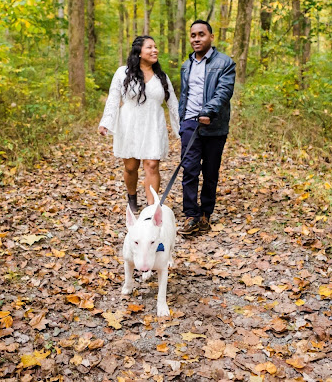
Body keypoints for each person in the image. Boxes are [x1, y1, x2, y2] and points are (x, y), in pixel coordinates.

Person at [98, 35, 180, 212]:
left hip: (153, 125)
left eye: (155, 47)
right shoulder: (123, 72)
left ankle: (152, 209)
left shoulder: (161, 76)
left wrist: (182, 128)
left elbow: (173, 103)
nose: (155, 50)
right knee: (131, 167)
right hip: (129, 125)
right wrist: (106, 122)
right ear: (139, 52)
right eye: (149, 47)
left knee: (152, 165)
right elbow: (113, 98)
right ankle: (132, 197)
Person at [177, 20, 236, 236]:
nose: (196, 39)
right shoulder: (186, 65)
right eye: (193, 35)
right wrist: (183, 119)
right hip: (190, 124)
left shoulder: (225, 63)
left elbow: (224, 91)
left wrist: (208, 112)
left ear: (211, 37)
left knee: (210, 172)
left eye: (201, 34)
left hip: (215, 126)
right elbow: (185, 95)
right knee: (189, 169)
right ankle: (191, 215)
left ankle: (205, 214)